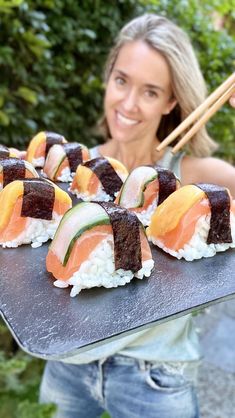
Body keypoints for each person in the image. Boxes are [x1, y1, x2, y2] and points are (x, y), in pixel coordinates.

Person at [39, 14, 235, 418]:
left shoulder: (197, 178)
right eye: (122, 81)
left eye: (150, 92)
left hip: (156, 376)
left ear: (170, 101)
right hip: (68, 365)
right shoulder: (79, 173)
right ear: (108, 80)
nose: (128, 104)